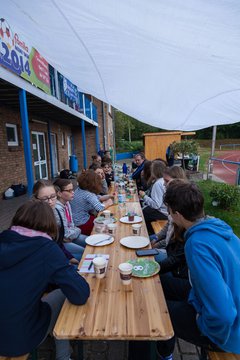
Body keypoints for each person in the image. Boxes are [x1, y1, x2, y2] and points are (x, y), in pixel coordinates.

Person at [157, 181, 240, 359]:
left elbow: (223, 315)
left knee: (156, 311)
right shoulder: (217, 226)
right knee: (161, 283)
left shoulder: (197, 245)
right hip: (225, 302)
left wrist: (202, 324)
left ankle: (163, 355)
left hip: (227, 332)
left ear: (177, 214)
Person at [0, 200, 90, 358]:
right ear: (50, 225)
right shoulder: (47, 249)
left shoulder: (4, 238)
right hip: (16, 341)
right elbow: (80, 294)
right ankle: (63, 355)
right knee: (64, 292)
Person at [33, 179, 84, 262]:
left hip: (57, 248)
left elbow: (57, 242)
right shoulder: (35, 219)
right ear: (36, 199)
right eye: (45, 198)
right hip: (44, 261)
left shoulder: (54, 211)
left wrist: (69, 257)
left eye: (53, 196)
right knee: (84, 255)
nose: (50, 202)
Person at [71, 170, 113, 235]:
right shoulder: (88, 194)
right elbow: (100, 208)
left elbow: (97, 197)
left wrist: (109, 196)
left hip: (74, 221)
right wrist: (108, 203)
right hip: (82, 223)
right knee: (107, 223)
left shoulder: (79, 189)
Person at [53, 178, 87, 248]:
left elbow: (71, 224)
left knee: (91, 242)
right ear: (59, 193)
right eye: (69, 190)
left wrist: (76, 230)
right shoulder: (57, 209)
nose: (73, 192)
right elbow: (66, 235)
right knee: (84, 252)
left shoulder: (67, 202)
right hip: (60, 242)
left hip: (71, 234)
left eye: (72, 189)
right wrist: (79, 230)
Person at [139, 160, 168, 234]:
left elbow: (156, 205)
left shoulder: (158, 183)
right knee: (144, 210)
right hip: (166, 211)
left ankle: (147, 234)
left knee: (141, 214)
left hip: (163, 213)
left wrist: (144, 196)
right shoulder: (161, 181)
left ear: (154, 171)